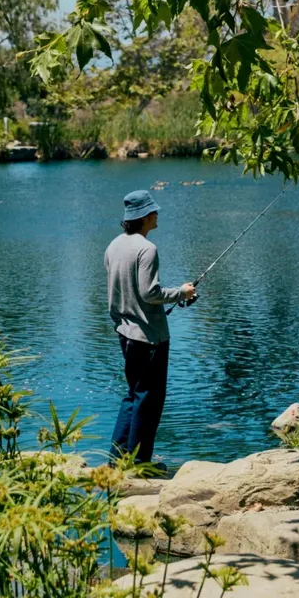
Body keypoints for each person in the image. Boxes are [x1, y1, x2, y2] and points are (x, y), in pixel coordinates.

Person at [105, 189, 196, 468]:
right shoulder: (147, 249)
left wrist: (173, 298)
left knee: (134, 394)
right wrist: (182, 292)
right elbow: (149, 293)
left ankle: (117, 458)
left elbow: (128, 293)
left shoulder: (114, 246)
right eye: (153, 211)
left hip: (124, 332)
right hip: (149, 338)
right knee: (150, 399)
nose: (157, 215)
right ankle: (140, 463)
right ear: (143, 217)